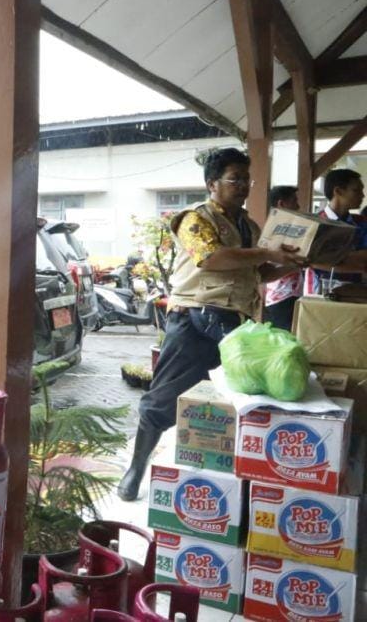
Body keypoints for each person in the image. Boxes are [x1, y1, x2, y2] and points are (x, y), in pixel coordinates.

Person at [117, 148, 305, 501]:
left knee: (242, 398)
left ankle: (233, 480)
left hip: (238, 323)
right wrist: (268, 253)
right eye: (235, 178)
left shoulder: (249, 226)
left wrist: (295, 263)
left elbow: (260, 272)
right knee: (162, 400)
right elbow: (210, 258)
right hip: (195, 319)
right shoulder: (194, 218)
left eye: (247, 179)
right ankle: (136, 468)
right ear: (212, 184)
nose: (243, 185)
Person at [304, 168, 367, 295]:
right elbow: (304, 259)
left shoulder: (362, 223)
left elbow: (363, 261)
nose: (363, 195)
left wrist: (321, 259)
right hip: (318, 295)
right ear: (338, 191)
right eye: (356, 190)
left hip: (355, 294)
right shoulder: (312, 224)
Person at [262, 185, 302, 331]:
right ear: (281, 204)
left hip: (291, 293)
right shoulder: (275, 229)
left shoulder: (288, 228)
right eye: (294, 200)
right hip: (280, 296)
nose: (298, 206)